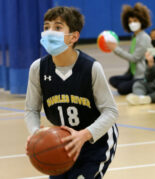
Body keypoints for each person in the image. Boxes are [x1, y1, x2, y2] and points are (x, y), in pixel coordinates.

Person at [24, 6, 119, 179]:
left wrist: (83, 135)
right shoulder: (37, 68)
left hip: (96, 141)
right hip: (61, 143)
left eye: (58, 27)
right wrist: (36, 134)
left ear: (73, 36)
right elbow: (31, 109)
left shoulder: (91, 68)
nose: (49, 32)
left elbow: (111, 111)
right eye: (46, 27)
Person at [107, 3, 152, 95]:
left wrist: (116, 48)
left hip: (142, 76)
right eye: (130, 22)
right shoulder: (134, 37)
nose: (132, 24)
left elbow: (134, 58)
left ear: (141, 20)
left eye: (135, 20)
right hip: (133, 74)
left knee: (122, 89)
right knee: (113, 80)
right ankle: (133, 84)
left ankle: (142, 86)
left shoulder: (144, 37)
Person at [126, 32, 155, 105]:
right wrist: (150, 65)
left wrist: (153, 85)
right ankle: (141, 98)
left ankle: (146, 98)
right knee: (138, 84)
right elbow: (148, 78)